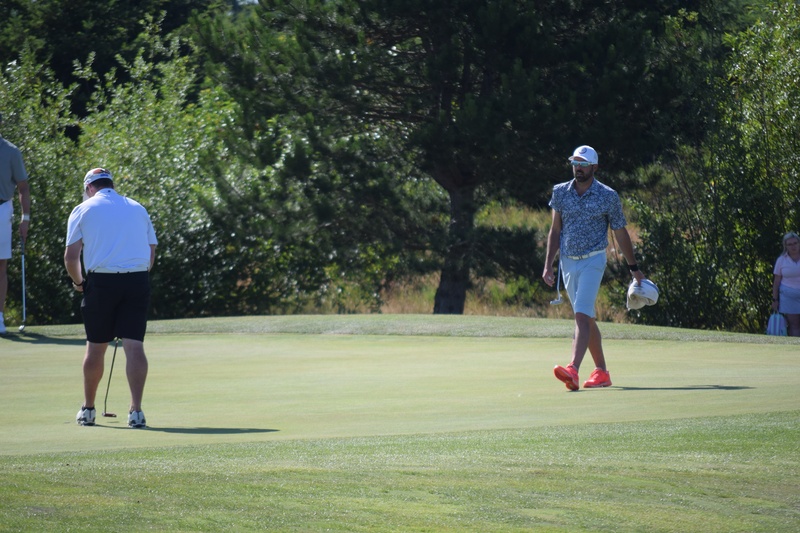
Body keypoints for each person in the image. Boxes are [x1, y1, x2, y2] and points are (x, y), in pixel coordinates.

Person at [542, 145, 645, 391]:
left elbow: (620, 232)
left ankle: (573, 370)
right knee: (586, 316)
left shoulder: (608, 196)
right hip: (568, 261)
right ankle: (601, 372)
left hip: (593, 260)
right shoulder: (560, 192)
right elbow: (555, 230)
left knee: (581, 314)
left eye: (584, 164)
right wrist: (548, 265)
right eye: (575, 163)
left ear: (594, 167)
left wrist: (634, 268)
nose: (578, 168)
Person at [64, 168, 158, 428]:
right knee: (134, 345)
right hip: (137, 279)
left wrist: (79, 283)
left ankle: (88, 410)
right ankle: (136, 412)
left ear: (89, 188)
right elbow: (151, 251)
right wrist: (138, 275)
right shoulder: (137, 207)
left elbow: (71, 258)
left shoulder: (83, 209)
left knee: (96, 346)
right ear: (111, 185)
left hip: (101, 282)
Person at [0, 112, 31, 335]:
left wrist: (25, 218)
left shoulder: (11, 151)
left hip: (2, 208)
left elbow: (23, 187)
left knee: (0, 265)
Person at [772, 231, 800, 337]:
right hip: (789, 296)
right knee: (794, 325)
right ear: (786, 246)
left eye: (795, 243)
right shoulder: (781, 260)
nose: (793, 246)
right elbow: (776, 282)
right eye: (790, 244)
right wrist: (775, 300)